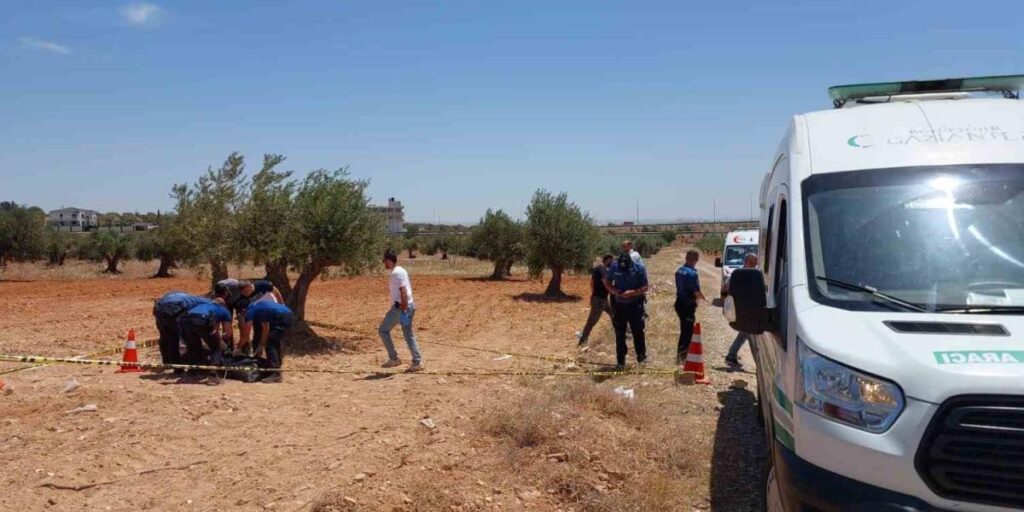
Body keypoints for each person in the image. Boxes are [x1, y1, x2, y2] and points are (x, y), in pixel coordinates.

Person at [378, 249, 424, 372]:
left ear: (388, 261)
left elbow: (403, 290)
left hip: (401, 308)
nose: (384, 264)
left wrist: (403, 309)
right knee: (408, 334)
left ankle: (394, 358)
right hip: (409, 305)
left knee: (383, 330)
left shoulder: (395, 274)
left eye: (384, 261)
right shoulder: (401, 270)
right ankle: (417, 361)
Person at [607, 253, 649, 370]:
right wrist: (614, 291)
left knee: (638, 332)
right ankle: (621, 361)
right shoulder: (614, 267)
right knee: (620, 333)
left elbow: (645, 287)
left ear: (631, 263)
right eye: (621, 267)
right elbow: (608, 282)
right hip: (619, 305)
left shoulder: (639, 268)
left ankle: (641, 357)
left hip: (635, 305)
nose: (623, 268)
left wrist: (632, 293)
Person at [152, 291, 212, 373]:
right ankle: (185, 368)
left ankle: (168, 363)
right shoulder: (206, 303)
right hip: (172, 310)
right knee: (182, 339)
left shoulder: (186, 297)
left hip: (159, 309)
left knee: (167, 337)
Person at [177, 298, 233, 383]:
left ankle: (192, 371)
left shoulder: (202, 306)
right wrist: (223, 342)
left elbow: (214, 328)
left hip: (186, 321)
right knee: (217, 347)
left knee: (193, 346)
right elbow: (228, 333)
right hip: (202, 320)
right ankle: (213, 375)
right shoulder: (224, 310)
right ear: (223, 305)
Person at [244, 300, 294, 383]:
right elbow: (265, 330)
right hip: (288, 314)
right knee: (274, 341)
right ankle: (277, 366)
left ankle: (275, 373)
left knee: (270, 344)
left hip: (282, 316)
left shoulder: (250, 311)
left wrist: (238, 348)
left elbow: (245, 334)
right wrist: (261, 345)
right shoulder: (260, 308)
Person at [725, 253, 759, 368]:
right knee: (746, 333)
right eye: (751, 263)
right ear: (745, 262)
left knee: (745, 333)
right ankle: (731, 355)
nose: (753, 265)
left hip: (749, 309)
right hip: (743, 309)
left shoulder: (742, 273)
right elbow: (727, 287)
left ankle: (732, 355)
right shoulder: (739, 274)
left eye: (755, 263)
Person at [675, 249, 708, 362]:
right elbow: (697, 292)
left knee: (684, 329)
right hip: (687, 305)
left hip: (679, 303)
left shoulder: (679, 270)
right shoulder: (692, 273)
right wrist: (705, 299)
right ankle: (683, 356)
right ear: (696, 259)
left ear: (686, 258)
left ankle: (681, 354)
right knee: (687, 331)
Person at [577, 254, 615, 348]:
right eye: (612, 261)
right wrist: (613, 291)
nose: (612, 263)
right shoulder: (602, 269)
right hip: (599, 300)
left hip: (601, 299)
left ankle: (619, 334)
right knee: (592, 321)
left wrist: (594, 294)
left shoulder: (597, 269)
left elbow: (591, 283)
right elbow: (605, 281)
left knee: (614, 314)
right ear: (608, 260)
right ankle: (582, 341)